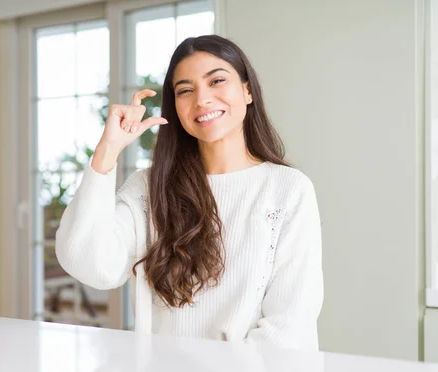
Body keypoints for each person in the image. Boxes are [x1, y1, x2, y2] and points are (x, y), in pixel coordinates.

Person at [55, 34, 323, 350]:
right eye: (185, 90)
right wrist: (106, 152)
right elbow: (89, 264)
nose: (202, 99)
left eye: (217, 81)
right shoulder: (149, 188)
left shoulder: (289, 190)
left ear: (247, 91)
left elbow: (289, 325)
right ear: (176, 108)